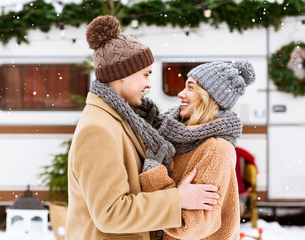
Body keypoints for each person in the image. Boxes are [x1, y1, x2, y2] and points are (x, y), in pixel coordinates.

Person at [65, 15, 220, 240]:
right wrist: (178, 200)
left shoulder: (122, 119)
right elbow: (111, 213)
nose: (148, 84)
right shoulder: (98, 129)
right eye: (145, 74)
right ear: (122, 75)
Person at [137, 60, 256, 240]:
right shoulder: (174, 136)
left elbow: (189, 227)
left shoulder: (216, 149)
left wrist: (154, 173)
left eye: (190, 88)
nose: (181, 94)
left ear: (210, 97)